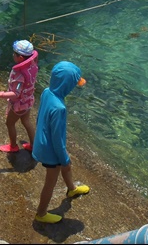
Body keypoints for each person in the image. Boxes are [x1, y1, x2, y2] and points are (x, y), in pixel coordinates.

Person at [32, 61, 89, 224]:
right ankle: (41, 213)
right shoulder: (60, 109)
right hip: (51, 150)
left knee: (67, 166)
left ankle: (71, 189)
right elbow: (57, 139)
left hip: (42, 141)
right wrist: (63, 158)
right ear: (67, 85)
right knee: (50, 183)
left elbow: (39, 117)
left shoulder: (46, 92)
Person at [0, 39, 39, 153]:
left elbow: (16, 94)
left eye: (14, 53)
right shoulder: (32, 66)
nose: (13, 55)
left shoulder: (19, 73)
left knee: (10, 123)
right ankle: (33, 145)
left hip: (19, 104)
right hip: (28, 101)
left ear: (20, 58)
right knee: (26, 121)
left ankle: (13, 146)